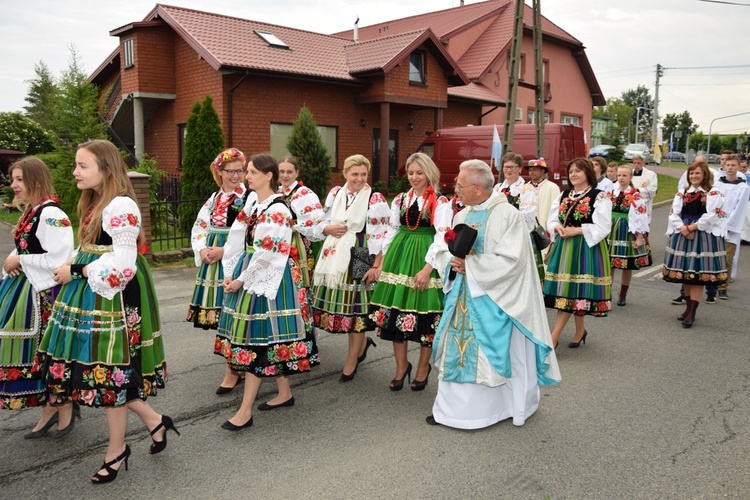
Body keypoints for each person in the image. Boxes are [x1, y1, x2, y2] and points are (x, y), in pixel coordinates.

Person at [35, 140, 173, 484]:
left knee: (111, 374)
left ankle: (116, 451)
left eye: (83, 166)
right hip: (93, 294)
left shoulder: (122, 206)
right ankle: (155, 422)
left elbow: (123, 266)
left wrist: (79, 271)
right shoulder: (98, 201)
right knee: (104, 373)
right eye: (77, 165)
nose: (75, 172)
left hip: (115, 297)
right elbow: (93, 247)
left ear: (106, 169)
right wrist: (74, 260)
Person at [427, 159, 560, 429]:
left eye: (460, 185)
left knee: (490, 354)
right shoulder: (461, 215)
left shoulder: (507, 215)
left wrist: (472, 266)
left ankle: (493, 410)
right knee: (457, 348)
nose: (456, 189)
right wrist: (450, 263)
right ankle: (450, 411)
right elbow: (446, 250)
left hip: (496, 300)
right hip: (463, 297)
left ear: (477, 187)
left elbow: (514, 261)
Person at [216, 153, 319, 430]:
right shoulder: (253, 202)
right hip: (253, 269)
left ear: (268, 176)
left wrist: (241, 279)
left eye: (251, 172)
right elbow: (237, 235)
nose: (246, 177)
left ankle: (245, 411)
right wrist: (229, 271)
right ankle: (284, 392)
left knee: (256, 341)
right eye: (247, 172)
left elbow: (270, 253)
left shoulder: (279, 210)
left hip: (271, 275)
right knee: (268, 339)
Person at [1, 157, 75, 438]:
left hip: (43, 292)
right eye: (13, 179)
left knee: (45, 353)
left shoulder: (51, 214)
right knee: (33, 353)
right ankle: (52, 406)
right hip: (25, 288)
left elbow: (60, 256)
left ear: (35, 179)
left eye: (20, 179)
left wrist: (20, 258)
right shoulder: (33, 211)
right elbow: (24, 247)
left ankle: (62, 407)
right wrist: (14, 258)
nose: (14, 184)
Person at [370, 153, 451, 391]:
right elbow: (393, 229)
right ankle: (401, 366)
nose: (414, 177)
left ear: (429, 173)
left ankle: (423, 368)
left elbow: (443, 235)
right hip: (399, 257)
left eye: (419, 173)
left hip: (425, 257)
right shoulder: (400, 199)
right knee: (396, 314)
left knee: (425, 317)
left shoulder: (440, 201)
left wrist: (428, 267)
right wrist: (383, 260)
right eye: (410, 173)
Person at [310, 154, 390, 382]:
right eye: (355, 174)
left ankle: (352, 359)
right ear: (345, 174)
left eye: (364, 174)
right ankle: (362, 345)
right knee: (343, 308)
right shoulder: (336, 193)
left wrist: (377, 263)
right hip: (334, 254)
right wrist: (328, 228)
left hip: (361, 251)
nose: (359, 178)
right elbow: (321, 220)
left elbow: (383, 233)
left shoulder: (374, 198)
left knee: (357, 311)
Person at [187, 148, 252, 395]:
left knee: (235, 313)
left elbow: (249, 233)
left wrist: (223, 251)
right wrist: (202, 249)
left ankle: (234, 370)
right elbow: (200, 226)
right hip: (214, 262)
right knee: (224, 316)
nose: (235, 176)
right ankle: (236, 366)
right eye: (230, 171)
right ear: (219, 172)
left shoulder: (248, 198)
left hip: (235, 260)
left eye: (239, 171)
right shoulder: (213, 198)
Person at [543, 158, 612, 348]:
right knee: (572, 291)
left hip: (586, 248)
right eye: (571, 171)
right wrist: (557, 227)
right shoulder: (564, 195)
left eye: (578, 171)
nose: (573, 174)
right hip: (565, 246)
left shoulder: (599, 196)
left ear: (588, 173)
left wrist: (578, 230)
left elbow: (604, 226)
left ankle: (553, 337)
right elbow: (552, 219)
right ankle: (580, 330)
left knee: (570, 291)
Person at [662, 161, 727, 327]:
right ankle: (688, 308)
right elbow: (673, 213)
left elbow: (712, 215)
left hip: (703, 235)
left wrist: (692, 227)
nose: (694, 176)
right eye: (691, 173)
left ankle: (692, 311)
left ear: (705, 175)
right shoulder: (683, 192)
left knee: (697, 274)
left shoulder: (713, 192)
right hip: (684, 233)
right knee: (686, 273)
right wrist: (683, 228)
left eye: (697, 173)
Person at [278, 156, 325, 286]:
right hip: (282, 241)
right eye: (282, 172)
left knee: (301, 281)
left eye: (289, 172)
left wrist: (295, 227)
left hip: (300, 243)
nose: (285, 175)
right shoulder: (277, 192)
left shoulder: (303, 193)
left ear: (297, 173)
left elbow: (316, 220)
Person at [494, 153, 542, 279]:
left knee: (521, 274)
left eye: (512, 167)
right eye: (506, 167)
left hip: (519, 234)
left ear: (520, 169)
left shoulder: (526, 188)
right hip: (499, 234)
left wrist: (506, 220)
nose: (509, 170)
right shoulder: (498, 188)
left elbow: (527, 213)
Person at [609, 165, 651, 306]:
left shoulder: (635, 194)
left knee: (626, 264)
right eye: (619, 175)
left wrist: (639, 237)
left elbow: (641, 216)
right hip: (610, 231)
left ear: (630, 177)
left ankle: (622, 294)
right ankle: (607, 293)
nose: (621, 178)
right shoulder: (610, 192)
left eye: (624, 175)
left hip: (626, 231)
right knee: (610, 264)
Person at [713, 154, 749, 299]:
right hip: (716, 225)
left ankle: (723, 286)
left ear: (738, 167)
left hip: (730, 228)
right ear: (724, 166)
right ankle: (711, 284)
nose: (730, 168)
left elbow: (740, 209)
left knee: (727, 258)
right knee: (713, 256)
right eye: (728, 165)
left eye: (733, 165)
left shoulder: (743, 187)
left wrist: (728, 224)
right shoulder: (718, 184)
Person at [526, 157, 561, 261]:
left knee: (545, 257)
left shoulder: (552, 187)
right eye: (530, 169)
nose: (531, 172)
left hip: (545, 230)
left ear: (542, 171)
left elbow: (556, 210)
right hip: (529, 229)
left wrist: (549, 226)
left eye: (535, 169)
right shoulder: (525, 187)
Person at [631, 155, 658, 226]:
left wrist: (638, 190)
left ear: (643, 163)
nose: (636, 165)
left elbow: (653, 189)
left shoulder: (651, 174)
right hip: (630, 204)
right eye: (634, 163)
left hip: (644, 204)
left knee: (643, 229)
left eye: (638, 163)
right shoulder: (629, 173)